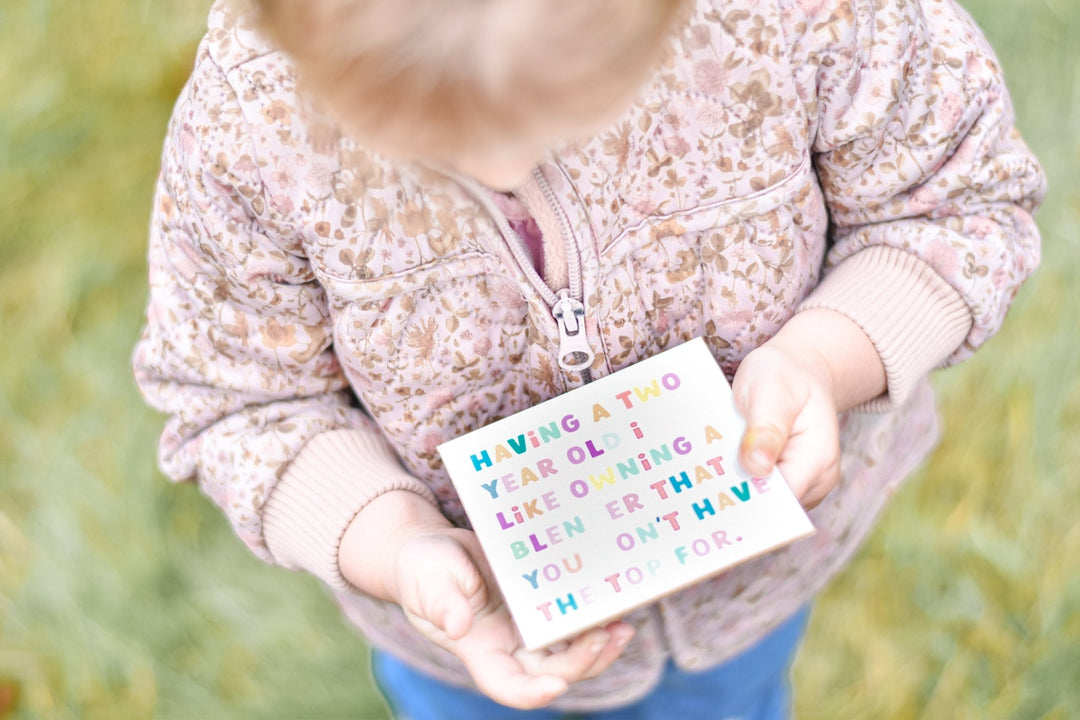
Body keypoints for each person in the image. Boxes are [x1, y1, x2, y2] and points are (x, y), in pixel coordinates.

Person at [133, 0, 1045, 715]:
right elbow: (244, 402)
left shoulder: (799, 16)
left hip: (739, 589)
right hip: (461, 625)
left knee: (725, 708)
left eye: (560, 111)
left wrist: (828, 357)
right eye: (423, 144)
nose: (498, 161)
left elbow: (954, 204)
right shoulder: (248, 131)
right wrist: (393, 545)